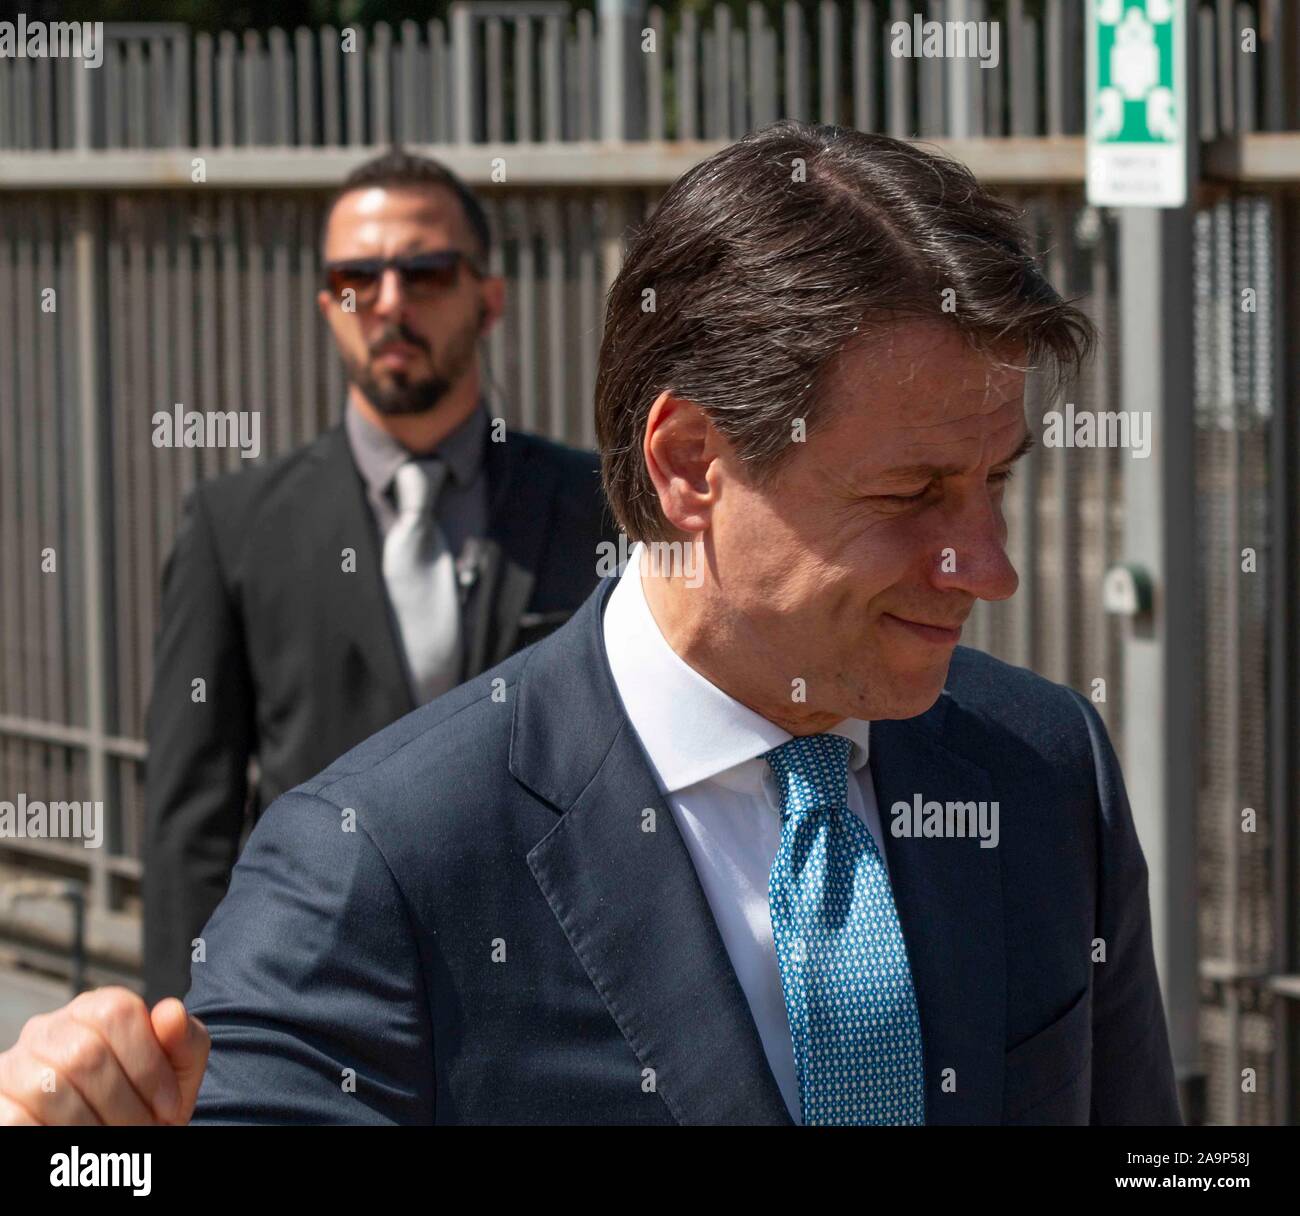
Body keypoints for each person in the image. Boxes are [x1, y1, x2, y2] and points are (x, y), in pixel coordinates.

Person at [0, 122, 1181, 1126]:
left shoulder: (1041, 765)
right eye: (911, 493)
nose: (989, 568)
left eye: (995, 484)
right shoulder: (384, 866)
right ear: (688, 465)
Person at [141, 147, 617, 1005]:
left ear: (489, 297)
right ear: (330, 306)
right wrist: (187, 1047)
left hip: (555, 998)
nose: (389, 301)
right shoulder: (234, 525)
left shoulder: (596, 507)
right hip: (322, 1001)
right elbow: (191, 824)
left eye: (427, 271)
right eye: (358, 276)